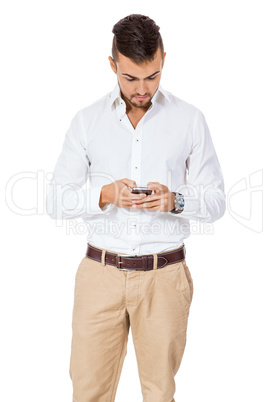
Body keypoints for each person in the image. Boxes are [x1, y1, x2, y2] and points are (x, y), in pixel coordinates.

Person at [46, 13, 226, 402]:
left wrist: (175, 201)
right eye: (130, 79)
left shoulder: (190, 120)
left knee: (160, 394)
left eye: (153, 76)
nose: (142, 89)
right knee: (88, 392)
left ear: (163, 59)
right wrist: (105, 195)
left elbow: (215, 202)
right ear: (112, 65)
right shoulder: (86, 122)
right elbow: (55, 200)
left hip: (165, 276)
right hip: (100, 275)